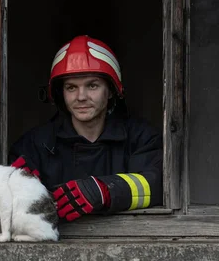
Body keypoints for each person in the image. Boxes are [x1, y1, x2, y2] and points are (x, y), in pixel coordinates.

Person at [9, 35, 163, 222]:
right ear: (60, 94)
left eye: (92, 85)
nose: (81, 97)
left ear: (112, 90)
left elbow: (158, 184)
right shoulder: (33, 146)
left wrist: (104, 190)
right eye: (71, 87)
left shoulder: (142, 137)